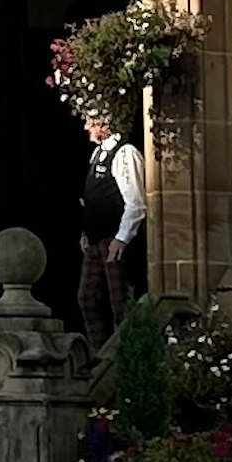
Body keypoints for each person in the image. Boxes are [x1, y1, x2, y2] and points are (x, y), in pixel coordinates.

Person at [80, 111, 149, 334]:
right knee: (88, 299)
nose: (86, 128)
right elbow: (93, 197)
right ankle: (100, 356)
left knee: (121, 303)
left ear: (104, 124)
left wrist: (122, 238)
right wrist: (86, 231)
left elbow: (136, 202)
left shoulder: (125, 153)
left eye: (90, 122)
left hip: (114, 241)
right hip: (95, 240)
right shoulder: (97, 153)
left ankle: (122, 357)